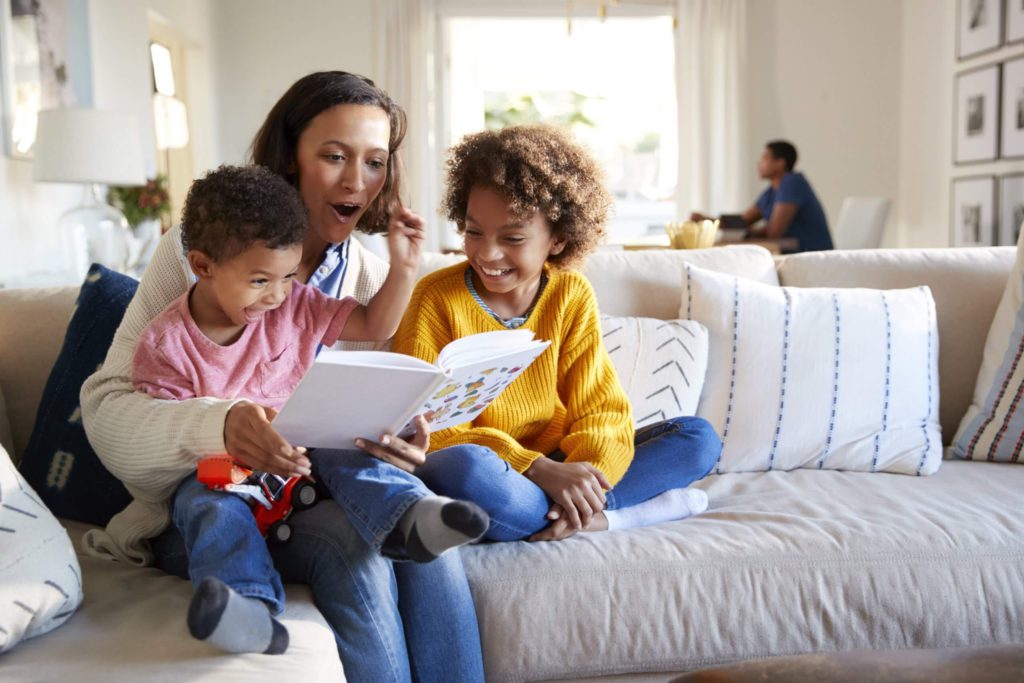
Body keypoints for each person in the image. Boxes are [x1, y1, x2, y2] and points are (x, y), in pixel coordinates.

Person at [80, 72, 485, 681]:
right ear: (289, 158)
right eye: (334, 156)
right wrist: (219, 425)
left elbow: (384, 387)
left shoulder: (375, 284)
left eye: (374, 162)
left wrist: (404, 436)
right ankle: (244, 602)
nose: (357, 181)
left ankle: (407, 520)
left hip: (311, 486)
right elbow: (112, 414)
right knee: (348, 556)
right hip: (207, 495)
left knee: (417, 553)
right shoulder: (200, 252)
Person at [380, 125, 723, 543]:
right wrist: (537, 469)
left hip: (561, 463)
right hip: (495, 468)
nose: (487, 254)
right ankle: (614, 515)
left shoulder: (570, 294)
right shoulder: (435, 297)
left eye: (512, 238)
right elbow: (427, 426)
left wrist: (582, 476)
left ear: (557, 239)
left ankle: (577, 513)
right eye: (473, 232)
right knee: (467, 467)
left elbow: (601, 411)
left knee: (697, 438)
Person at [691, 140, 833, 253]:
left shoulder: (792, 182)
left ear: (780, 163)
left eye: (765, 158)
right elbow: (743, 221)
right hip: (790, 253)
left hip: (812, 256)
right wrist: (707, 220)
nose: (759, 163)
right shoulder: (772, 191)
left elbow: (774, 232)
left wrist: (744, 234)